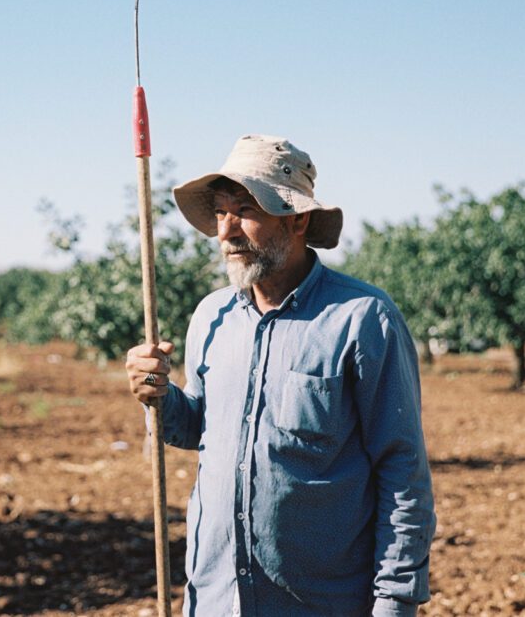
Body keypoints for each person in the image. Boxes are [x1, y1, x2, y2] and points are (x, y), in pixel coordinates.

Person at [125, 134, 436, 616]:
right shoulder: (211, 318)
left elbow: (402, 470)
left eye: (245, 210)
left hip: (319, 604)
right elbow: (196, 428)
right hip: (216, 598)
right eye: (220, 212)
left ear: (297, 219)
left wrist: (395, 601)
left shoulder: (362, 319)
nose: (226, 231)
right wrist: (156, 391)